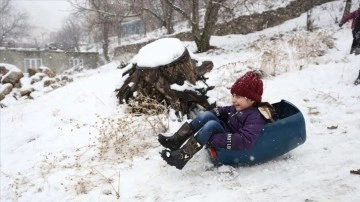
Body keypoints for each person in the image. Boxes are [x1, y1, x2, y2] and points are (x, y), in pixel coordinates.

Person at [159, 70, 274, 170]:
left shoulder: (255, 116)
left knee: (211, 125)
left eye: (238, 97)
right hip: (226, 130)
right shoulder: (239, 107)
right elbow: (225, 110)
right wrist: (214, 112)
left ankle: (182, 157)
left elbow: (244, 141)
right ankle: (176, 140)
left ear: (252, 100)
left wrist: (214, 139)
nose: (233, 100)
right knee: (206, 116)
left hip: (230, 138)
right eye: (233, 95)